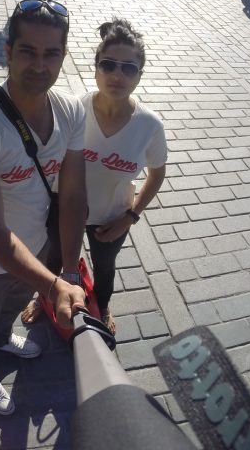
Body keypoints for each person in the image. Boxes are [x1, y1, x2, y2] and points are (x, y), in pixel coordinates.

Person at [0, 0, 87, 415]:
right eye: (28, 51)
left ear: (63, 56)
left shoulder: (70, 109)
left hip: (36, 253)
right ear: (7, 52)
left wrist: (66, 269)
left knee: (9, 310)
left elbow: (74, 195)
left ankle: (4, 339)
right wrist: (53, 286)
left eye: (52, 54)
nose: (40, 65)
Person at [82, 19, 167, 334]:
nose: (117, 75)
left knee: (104, 268)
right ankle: (44, 296)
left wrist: (130, 216)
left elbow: (156, 175)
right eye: (108, 65)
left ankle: (102, 307)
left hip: (112, 216)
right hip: (65, 207)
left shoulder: (149, 125)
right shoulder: (75, 109)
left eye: (129, 68)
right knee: (52, 258)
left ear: (139, 75)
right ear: (96, 69)